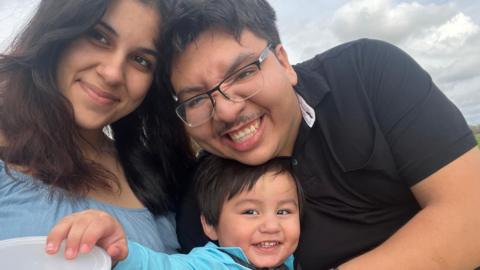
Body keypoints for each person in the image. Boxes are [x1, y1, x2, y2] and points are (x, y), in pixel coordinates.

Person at [159, 0, 480, 269]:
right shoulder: (201, 201)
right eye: (197, 99)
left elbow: (471, 211)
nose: (227, 111)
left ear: (283, 62)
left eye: (243, 72)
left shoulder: (368, 76)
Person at [0, 0, 194, 256]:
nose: (113, 73)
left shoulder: (155, 171)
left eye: (140, 60)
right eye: (99, 37)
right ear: (58, 32)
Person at [46, 156, 303, 270]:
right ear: (210, 226)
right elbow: (161, 266)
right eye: (250, 211)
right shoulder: (209, 265)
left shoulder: (289, 262)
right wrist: (121, 254)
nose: (272, 225)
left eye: (283, 211)